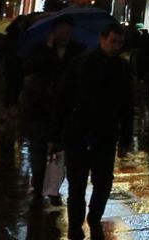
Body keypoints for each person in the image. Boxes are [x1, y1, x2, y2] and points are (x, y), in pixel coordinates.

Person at [54, 23, 136, 239]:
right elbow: (63, 97)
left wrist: (126, 139)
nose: (116, 46)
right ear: (102, 39)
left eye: (119, 42)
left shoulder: (123, 68)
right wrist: (57, 133)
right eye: (113, 41)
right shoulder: (82, 63)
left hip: (106, 133)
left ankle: (94, 217)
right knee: (77, 183)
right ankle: (75, 225)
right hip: (78, 131)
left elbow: (128, 106)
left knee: (103, 180)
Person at [23, 17, 86, 206]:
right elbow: (32, 69)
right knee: (38, 150)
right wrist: (48, 49)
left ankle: (54, 188)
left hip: (66, 109)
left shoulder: (79, 50)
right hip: (41, 107)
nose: (64, 36)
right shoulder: (40, 49)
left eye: (67, 32)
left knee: (61, 151)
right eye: (61, 32)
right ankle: (38, 184)